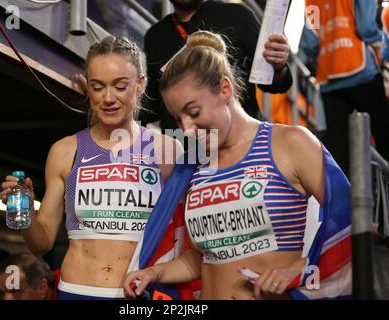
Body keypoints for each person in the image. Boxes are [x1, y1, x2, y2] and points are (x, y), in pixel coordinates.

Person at [123, 30, 352, 300]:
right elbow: (203, 257)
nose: (186, 128)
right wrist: (155, 274)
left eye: (194, 112)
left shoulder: (291, 143)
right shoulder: (194, 168)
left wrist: (300, 268)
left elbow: (351, 222)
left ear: (224, 88)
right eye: (177, 118)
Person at [0, 36, 182, 300]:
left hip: (140, 294)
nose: (108, 98)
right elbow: (41, 245)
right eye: (98, 87)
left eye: (120, 86)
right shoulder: (64, 151)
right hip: (77, 291)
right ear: (88, 86)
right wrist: (25, 211)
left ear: (140, 84)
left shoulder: (168, 150)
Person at [140, 0, 293, 130]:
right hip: (185, 151)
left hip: (240, 144)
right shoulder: (155, 36)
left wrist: (278, 66)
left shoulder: (238, 16)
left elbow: (273, 83)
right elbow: (153, 102)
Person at [300, 0, 389, 177]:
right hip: (360, 69)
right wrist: (379, 45)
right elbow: (365, 26)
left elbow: (309, 42)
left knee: (340, 153)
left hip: (329, 77)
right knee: (385, 137)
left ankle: (347, 201)